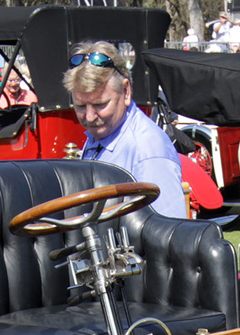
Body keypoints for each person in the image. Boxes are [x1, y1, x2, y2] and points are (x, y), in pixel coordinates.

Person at [62, 42, 183, 219]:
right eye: (80, 106)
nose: (89, 117)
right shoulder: (100, 137)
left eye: (100, 104)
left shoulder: (148, 151)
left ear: (126, 91)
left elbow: (170, 232)